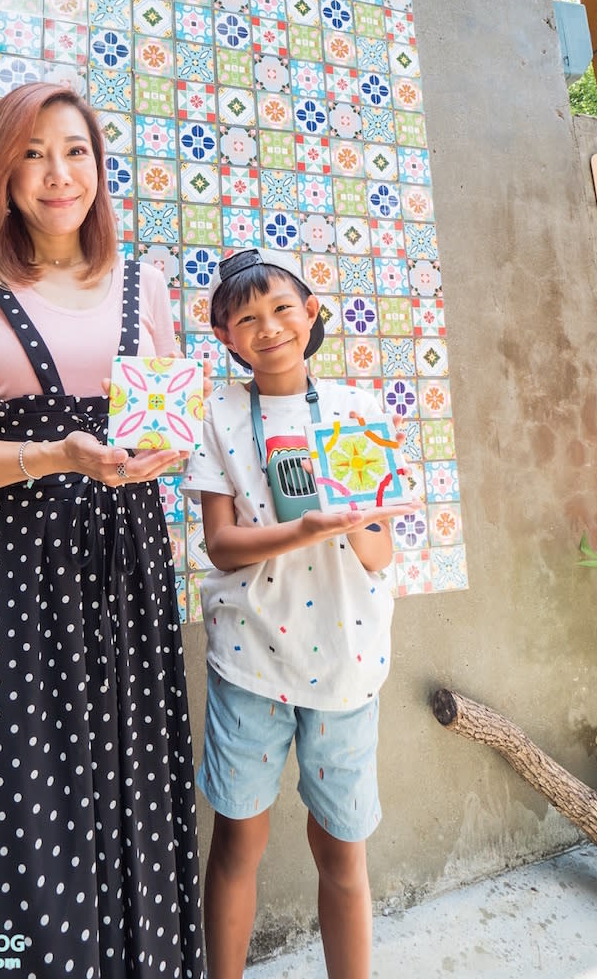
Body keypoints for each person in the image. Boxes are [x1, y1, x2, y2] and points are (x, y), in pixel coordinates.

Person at [0, 82, 203, 979]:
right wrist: (54, 457)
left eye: (74, 150)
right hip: (6, 580)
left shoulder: (143, 280)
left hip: (125, 567)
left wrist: (152, 457)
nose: (56, 173)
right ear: (3, 172)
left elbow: (167, 432)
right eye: (31, 153)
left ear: (99, 168)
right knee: (20, 802)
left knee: (130, 784)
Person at [182, 248, 419, 979]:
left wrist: (351, 521)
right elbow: (221, 546)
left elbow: (380, 554)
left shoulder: (357, 410)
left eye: (282, 308)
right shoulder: (217, 412)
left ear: (311, 312)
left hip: (347, 664)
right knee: (236, 847)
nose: (268, 327)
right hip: (249, 663)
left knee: (342, 852)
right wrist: (301, 529)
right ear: (222, 333)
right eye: (245, 317)